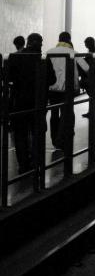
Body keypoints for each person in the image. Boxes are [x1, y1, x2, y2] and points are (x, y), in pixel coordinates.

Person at [8, 33, 56, 174]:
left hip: (20, 101)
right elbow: (52, 80)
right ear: (38, 43)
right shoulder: (43, 59)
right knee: (37, 132)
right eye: (41, 42)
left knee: (21, 134)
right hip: (39, 101)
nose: (42, 45)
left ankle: (23, 164)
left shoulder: (15, 57)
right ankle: (36, 162)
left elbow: (9, 77)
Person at [47, 32, 89, 149]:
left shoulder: (49, 52)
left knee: (54, 114)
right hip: (68, 89)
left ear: (59, 39)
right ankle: (62, 139)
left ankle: (54, 139)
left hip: (52, 88)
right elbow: (87, 68)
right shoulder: (73, 53)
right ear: (69, 40)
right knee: (66, 114)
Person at [80, 36, 95, 118]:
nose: (85, 45)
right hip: (92, 75)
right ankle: (91, 112)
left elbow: (93, 65)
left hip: (91, 76)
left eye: (86, 43)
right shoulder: (94, 51)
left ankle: (92, 112)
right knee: (92, 95)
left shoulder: (94, 52)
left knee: (92, 95)